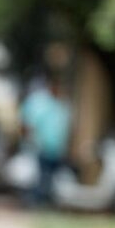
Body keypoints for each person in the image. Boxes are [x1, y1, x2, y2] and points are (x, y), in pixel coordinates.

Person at [18, 73, 73, 209]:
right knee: (40, 177)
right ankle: (36, 204)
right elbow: (26, 123)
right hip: (40, 148)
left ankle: (44, 203)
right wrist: (29, 142)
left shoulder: (63, 104)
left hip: (56, 150)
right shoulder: (39, 102)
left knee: (52, 179)